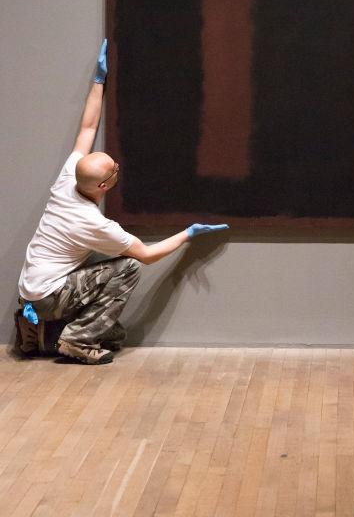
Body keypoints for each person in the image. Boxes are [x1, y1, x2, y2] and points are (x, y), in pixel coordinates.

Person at [15, 40, 229, 365]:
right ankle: (77, 342)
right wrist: (189, 233)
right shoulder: (95, 224)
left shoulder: (66, 180)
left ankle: (36, 333)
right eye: (114, 169)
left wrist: (98, 80)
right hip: (49, 295)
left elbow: (87, 128)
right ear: (104, 184)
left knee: (115, 336)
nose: (118, 168)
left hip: (31, 291)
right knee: (126, 267)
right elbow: (145, 255)